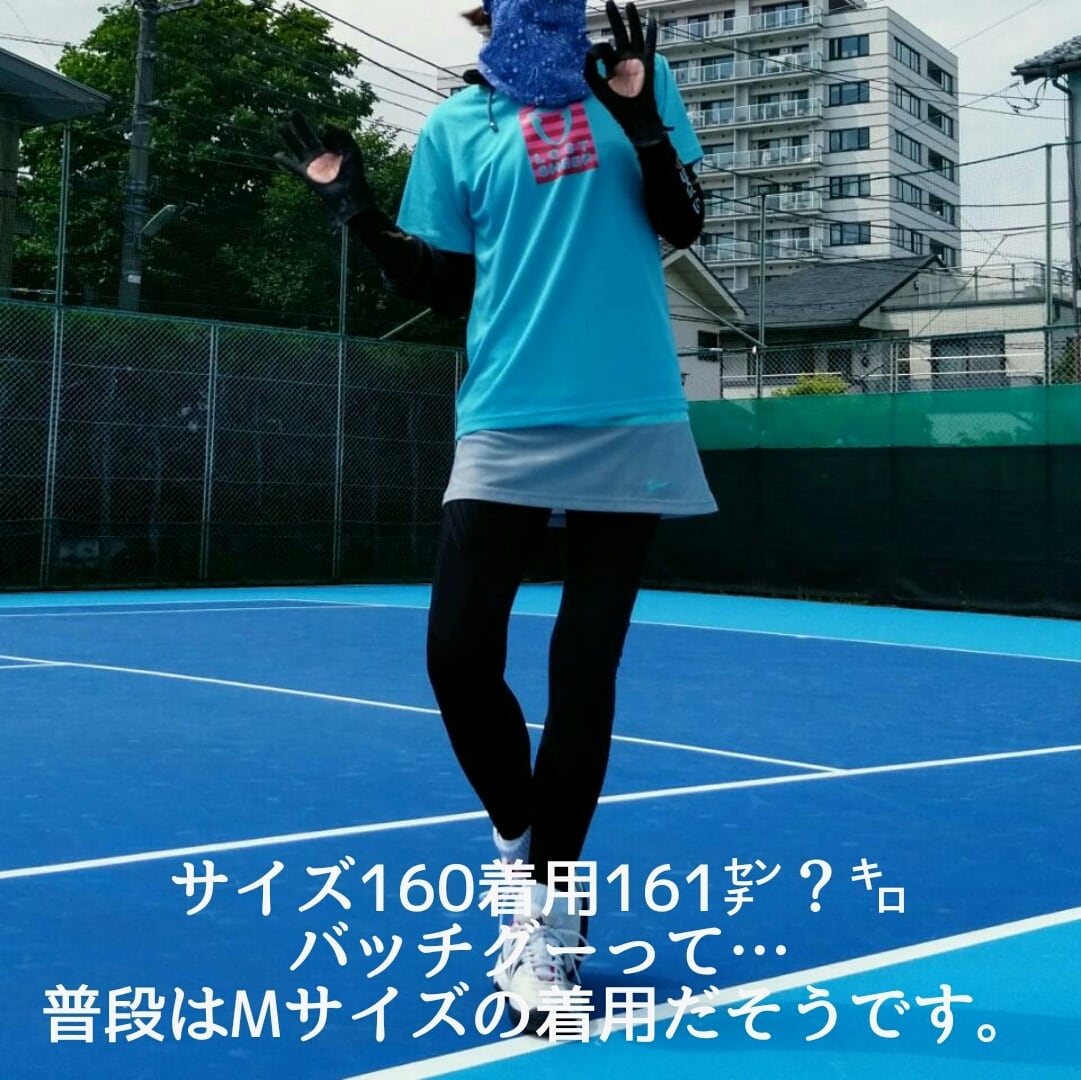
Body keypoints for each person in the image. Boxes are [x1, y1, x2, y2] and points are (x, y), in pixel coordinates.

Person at [277, 0, 717, 1033]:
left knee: (583, 669)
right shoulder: (457, 123)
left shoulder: (636, 81)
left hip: (629, 406)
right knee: (456, 654)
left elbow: (682, 222)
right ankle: (522, 847)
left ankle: (547, 919)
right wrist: (355, 211)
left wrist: (642, 118)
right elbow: (446, 285)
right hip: (507, 409)